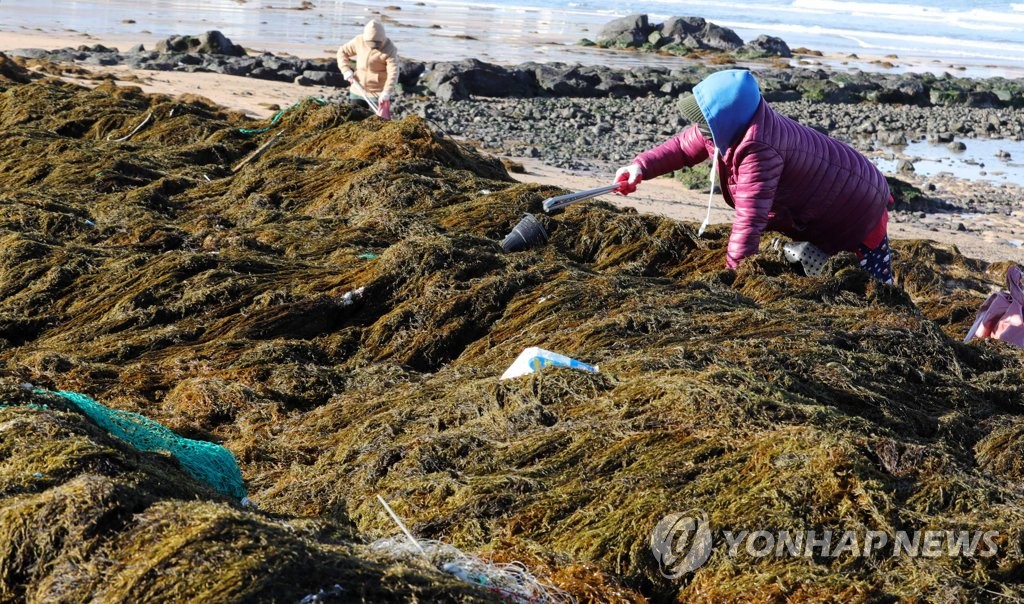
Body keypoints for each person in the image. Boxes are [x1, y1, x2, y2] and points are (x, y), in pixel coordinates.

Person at [614, 69, 893, 284]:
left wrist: (733, 276)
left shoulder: (759, 149)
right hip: (833, 195)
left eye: (704, 120)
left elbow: (749, 221)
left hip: (859, 208)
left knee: (870, 288)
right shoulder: (732, 125)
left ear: (725, 118)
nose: (699, 127)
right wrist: (641, 167)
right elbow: (682, 147)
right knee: (829, 272)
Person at [337, 19, 399, 119]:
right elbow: (342, 52)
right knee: (354, 121)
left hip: (377, 93)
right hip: (357, 88)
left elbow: (393, 72)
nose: (373, 47)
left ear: (382, 38)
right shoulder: (359, 41)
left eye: (376, 43)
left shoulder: (389, 48)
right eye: (370, 43)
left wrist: (387, 91)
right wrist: (345, 70)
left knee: (377, 124)